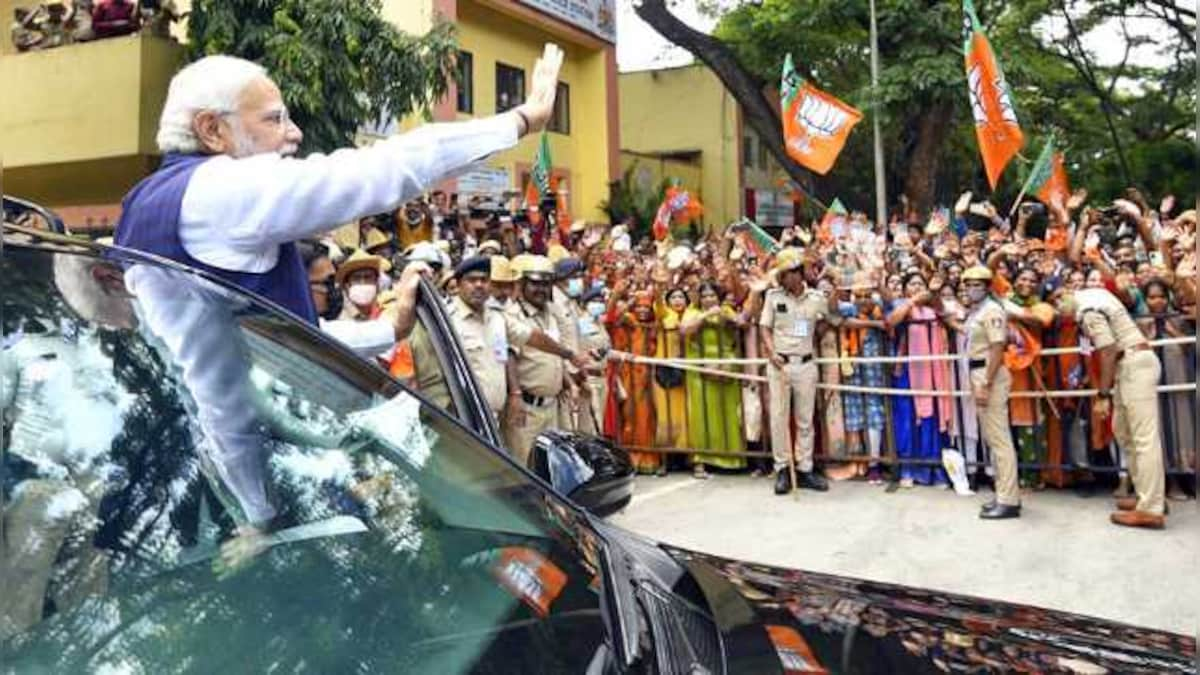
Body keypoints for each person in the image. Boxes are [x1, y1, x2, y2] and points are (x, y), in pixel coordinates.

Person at [115, 44, 565, 323]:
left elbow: (274, 343)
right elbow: (380, 169)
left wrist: (384, 333)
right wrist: (521, 120)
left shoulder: (143, 200)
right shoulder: (219, 190)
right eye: (274, 120)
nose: (294, 134)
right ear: (212, 129)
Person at [1058, 287, 1167, 529]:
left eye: (1058, 301)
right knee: (1123, 431)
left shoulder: (1087, 310)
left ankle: (1151, 508)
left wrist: (1103, 395)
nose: (1059, 309)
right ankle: (1147, 495)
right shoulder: (1095, 296)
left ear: (1066, 296)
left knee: (1143, 439)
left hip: (1133, 364)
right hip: (1129, 365)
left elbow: (1107, 350)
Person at [760, 248, 839, 494]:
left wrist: (821, 324)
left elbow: (828, 319)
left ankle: (804, 469)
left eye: (791, 272)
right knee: (779, 418)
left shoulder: (816, 298)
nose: (787, 278)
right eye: (784, 274)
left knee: (805, 419)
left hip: (805, 363)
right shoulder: (773, 297)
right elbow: (765, 328)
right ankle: (783, 468)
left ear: (799, 274)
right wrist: (772, 352)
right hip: (780, 364)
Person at [502, 256, 589, 464]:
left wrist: (568, 383)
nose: (541, 289)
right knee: (524, 467)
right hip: (527, 407)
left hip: (553, 407)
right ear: (522, 284)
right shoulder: (513, 314)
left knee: (550, 468)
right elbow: (509, 355)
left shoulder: (551, 312)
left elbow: (553, 356)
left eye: (546, 283)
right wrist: (515, 395)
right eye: (535, 283)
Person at [960, 266, 1021, 519]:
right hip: (979, 372)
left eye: (976, 285)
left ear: (986, 287)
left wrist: (985, 383)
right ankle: (1003, 493)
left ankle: (1008, 499)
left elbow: (997, 347)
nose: (971, 289)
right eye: (967, 285)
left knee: (999, 438)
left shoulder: (992, 310)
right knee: (993, 437)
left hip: (989, 374)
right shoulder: (979, 312)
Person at [680, 281, 746, 478]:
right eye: (705, 296)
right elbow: (685, 330)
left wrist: (727, 316)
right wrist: (706, 315)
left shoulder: (725, 309)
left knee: (727, 413)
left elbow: (741, 322)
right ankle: (700, 460)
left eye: (712, 296)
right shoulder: (692, 311)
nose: (709, 299)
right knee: (702, 414)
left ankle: (731, 459)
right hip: (699, 368)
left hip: (726, 366)